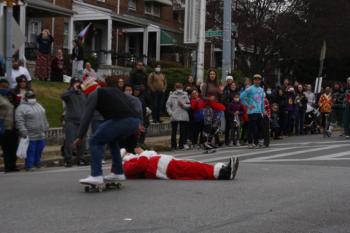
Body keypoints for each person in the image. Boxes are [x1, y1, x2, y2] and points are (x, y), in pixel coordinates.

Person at [75, 75, 142, 185]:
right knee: (112, 141)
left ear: (87, 90)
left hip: (120, 120)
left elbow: (86, 116)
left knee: (95, 141)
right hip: (133, 121)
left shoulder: (93, 94)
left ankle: (96, 175)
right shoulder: (115, 90)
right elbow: (134, 101)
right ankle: (118, 172)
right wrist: (139, 120)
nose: (84, 95)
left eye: (84, 92)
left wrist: (80, 136)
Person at [121, 148, 239, 180]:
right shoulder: (123, 166)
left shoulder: (130, 159)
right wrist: (144, 153)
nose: (128, 151)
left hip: (164, 163)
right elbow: (141, 165)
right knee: (193, 169)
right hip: (163, 168)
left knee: (194, 165)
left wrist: (145, 153)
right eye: (125, 151)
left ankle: (222, 170)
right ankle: (223, 173)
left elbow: (148, 157)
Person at [15, 91, 49, 171]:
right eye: (30, 97)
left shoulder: (38, 105)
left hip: (40, 133)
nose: (32, 99)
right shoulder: (21, 108)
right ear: (25, 98)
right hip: (29, 134)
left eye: (33, 97)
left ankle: (37, 163)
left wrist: (46, 126)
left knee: (39, 149)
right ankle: (29, 165)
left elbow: (44, 117)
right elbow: (19, 121)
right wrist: (23, 131)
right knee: (30, 151)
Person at [61, 77, 87, 167]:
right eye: (76, 82)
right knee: (70, 141)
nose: (78, 84)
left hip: (82, 121)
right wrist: (73, 89)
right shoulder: (69, 93)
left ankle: (80, 159)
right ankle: (68, 160)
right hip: (71, 121)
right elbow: (62, 96)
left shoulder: (83, 94)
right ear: (72, 84)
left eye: (79, 82)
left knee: (82, 142)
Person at [240, 74, 265, 148]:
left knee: (260, 127)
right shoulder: (250, 88)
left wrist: (263, 110)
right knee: (252, 128)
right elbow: (241, 97)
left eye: (259, 80)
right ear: (253, 80)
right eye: (255, 80)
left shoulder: (261, 89)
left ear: (260, 81)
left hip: (259, 112)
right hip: (252, 112)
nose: (257, 81)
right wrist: (248, 105)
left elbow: (262, 101)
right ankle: (251, 142)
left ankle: (258, 142)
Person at [0, 79, 18, 172]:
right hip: (4, 127)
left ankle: (13, 166)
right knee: (6, 148)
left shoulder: (7, 97)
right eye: (3, 87)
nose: (5, 88)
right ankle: (8, 167)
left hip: (12, 126)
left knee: (13, 147)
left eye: (6, 87)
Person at [166, 83, 190, 150]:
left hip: (182, 114)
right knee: (175, 131)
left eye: (180, 87)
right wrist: (171, 113)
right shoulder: (172, 95)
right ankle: (175, 145)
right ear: (175, 88)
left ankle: (179, 145)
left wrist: (183, 105)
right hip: (175, 114)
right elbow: (168, 105)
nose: (179, 89)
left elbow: (188, 105)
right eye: (178, 87)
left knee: (181, 131)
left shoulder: (185, 95)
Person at [222, 76, 237, 145]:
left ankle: (234, 139)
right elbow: (224, 100)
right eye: (228, 80)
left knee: (234, 125)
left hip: (235, 110)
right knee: (228, 125)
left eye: (230, 79)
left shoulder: (235, 90)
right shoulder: (225, 89)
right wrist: (230, 106)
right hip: (228, 110)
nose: (229, 81)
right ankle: (227, 140)